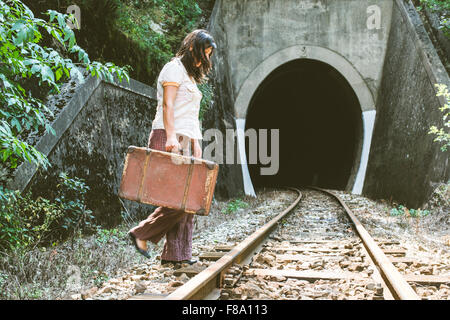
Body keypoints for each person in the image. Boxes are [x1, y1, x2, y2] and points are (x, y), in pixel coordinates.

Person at [128, 29, 217, 266]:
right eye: (203, 53)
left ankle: (176, 256)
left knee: (188, 201)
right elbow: (168, 106)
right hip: (169, 136)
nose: (204, 59)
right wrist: (170, 138)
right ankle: (141, 233)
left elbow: (190, 115)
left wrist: (196, 143)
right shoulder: (173, 69)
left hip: (186, 139)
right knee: (182, 199)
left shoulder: (189, 76)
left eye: (207, 55)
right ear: (192, 48)